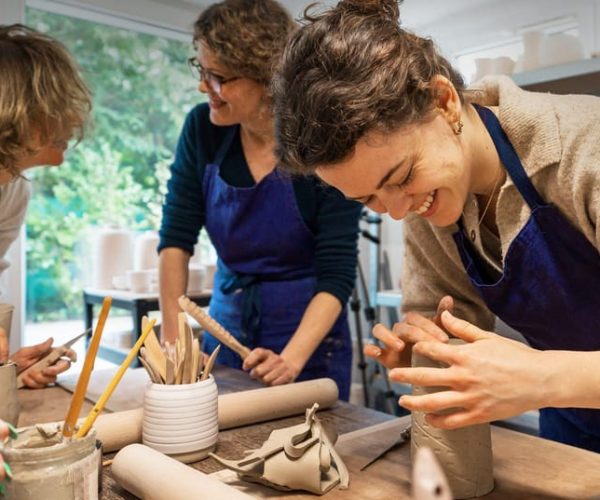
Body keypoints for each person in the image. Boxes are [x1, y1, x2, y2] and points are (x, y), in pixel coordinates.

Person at [271, 0, 600, 452]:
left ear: (444, 102)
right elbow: (439, 320)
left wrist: (541, 377)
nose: (398, 211)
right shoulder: (430, 203)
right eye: (368, 199)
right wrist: (428, 351)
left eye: (401, 177)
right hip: (575, 428)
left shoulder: (586, 151)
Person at [158, 0, 361, 400]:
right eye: (201, 71)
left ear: (266, 77)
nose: (204, 87)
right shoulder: (202, 130)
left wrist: (291, 358)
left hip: (307, 339)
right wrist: (174, 339)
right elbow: (176, 238)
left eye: (218, 77)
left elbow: (336, 273)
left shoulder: (323, 141)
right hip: (226, 325)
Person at [0, 24, 92, 388]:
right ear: (20, 111)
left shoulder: (12, 192)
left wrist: (11, 375)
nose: (75, 118)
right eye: (60, 104)